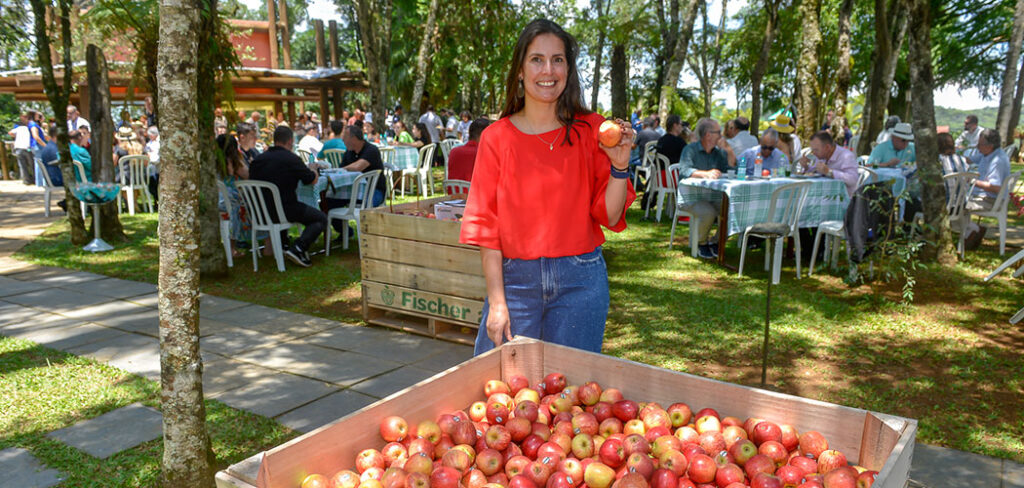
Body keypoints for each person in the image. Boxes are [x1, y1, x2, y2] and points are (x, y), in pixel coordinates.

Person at [460, 19, 635, 355]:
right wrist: (497, 302)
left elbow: (611, 216)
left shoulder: (592, 130)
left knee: (573, 387)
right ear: (520, 70)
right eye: (536, 59)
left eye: (558, 60)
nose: (548, 70)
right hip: (514, 283)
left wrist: (620, 166)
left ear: (568, 69)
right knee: (499, 381)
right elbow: (486, 227)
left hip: (581, 282)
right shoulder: (496, 138)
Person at [249, 125, 326, 267]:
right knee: (321, 218)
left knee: (282, 202)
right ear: (290, 141)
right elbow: (311, 180)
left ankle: (283, 244)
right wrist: (313, 169)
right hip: (284, 210)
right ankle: (298, 248)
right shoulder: (291, 159)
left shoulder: (258, 160)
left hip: (260, 211)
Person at [678, 118, 732, 259]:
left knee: (731, 210)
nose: (721, 135)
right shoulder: (690, 149)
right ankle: (700, 243)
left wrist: (729, 151)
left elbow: (731, 171)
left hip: (712, 196)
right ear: (708, 135)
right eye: (718, 132)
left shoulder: (719, 153)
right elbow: (683, 170)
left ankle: (716, 242)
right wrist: (705, 173)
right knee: (708, 212)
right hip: (691, 197)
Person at [963, 129, 1011, 249]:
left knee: (956, 204)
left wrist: (972, 181)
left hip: (990, 200)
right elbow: (969, 160)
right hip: (980, 196)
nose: (977, 147)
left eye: (980, 144)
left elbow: (995, 187)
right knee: (956, 201)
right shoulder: (987, 153)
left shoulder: (997, 161)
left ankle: (973, 230)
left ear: (990, 146)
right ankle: (971, 231)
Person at [326, 125, 387, 213]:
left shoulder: (371, 150)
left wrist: (341, 169)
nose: (342, 140)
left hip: (374, 190)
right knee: (329, 201)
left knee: (365, 209)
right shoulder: (349, 152)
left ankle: (364, 223)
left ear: (353, 138)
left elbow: (358, 167)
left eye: (345, 137)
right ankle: (340, 223)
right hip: (353, 190)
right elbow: (341, 169)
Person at [799, 131, 858, 196]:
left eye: (816, 150)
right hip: (821, 194)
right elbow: (815, 172)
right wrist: (806, 167)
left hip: (842, 198)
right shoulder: (820, 156)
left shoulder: (846, 156)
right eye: (812, 150)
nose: (813, 153)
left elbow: (853, 179)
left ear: (827, 147)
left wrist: (829, 172)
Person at [8, 113, 33, 184]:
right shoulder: (30, 128)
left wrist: (15, 136)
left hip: (18, 148)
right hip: (28, 148)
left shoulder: (18, 128)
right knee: (32, 165)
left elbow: (10, 132)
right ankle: (35, 179)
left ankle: (26, 180)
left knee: (22, 165)